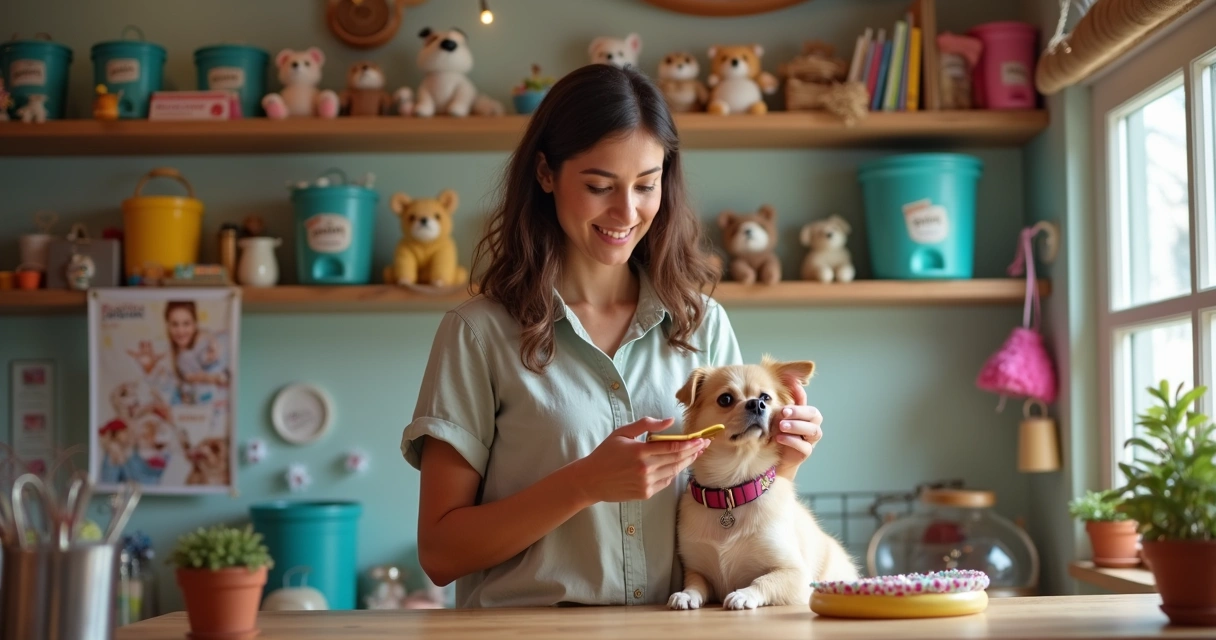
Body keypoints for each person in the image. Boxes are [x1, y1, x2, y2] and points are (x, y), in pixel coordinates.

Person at [399, 64, 825, 609]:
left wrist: (784, 457)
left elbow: (732, 512)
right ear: (546, 173)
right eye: (599, 186)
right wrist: (582, 484)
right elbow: (440, 553)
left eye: (646, 185)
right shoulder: (477, 335)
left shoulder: (703, 324)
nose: (627, 212)